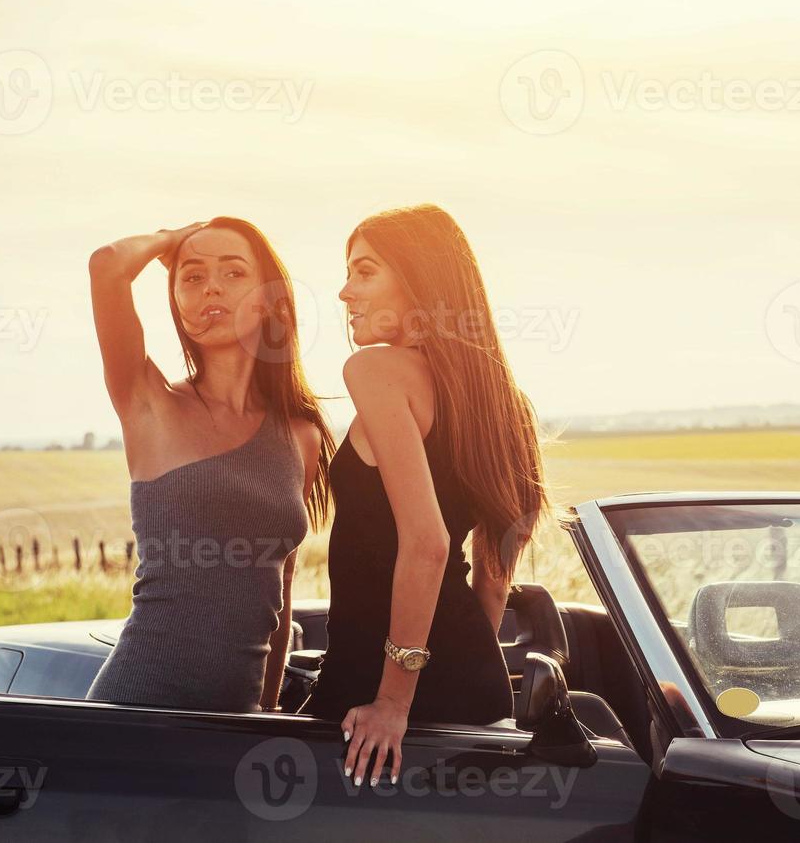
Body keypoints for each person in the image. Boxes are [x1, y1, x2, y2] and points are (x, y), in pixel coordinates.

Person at [303, 204, 551, 788]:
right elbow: (492, 580)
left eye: (364, 271)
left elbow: (427, 543)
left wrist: (395, 701)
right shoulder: (501, 401)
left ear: (417, 279)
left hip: (378, 693)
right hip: (471, 680)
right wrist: (453, 670)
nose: (344, 292)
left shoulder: (376, 370)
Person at [85, 217, 333, 712]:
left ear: (268, 298)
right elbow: (107, 266)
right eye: (193, 278)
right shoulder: (150, 403)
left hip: (236, 721)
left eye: (234, 273)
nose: (212, 287)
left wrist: (265, 709)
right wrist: (170, 242)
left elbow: (278, 598)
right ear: (175, 300)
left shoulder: (300, 436)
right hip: (134, 708)